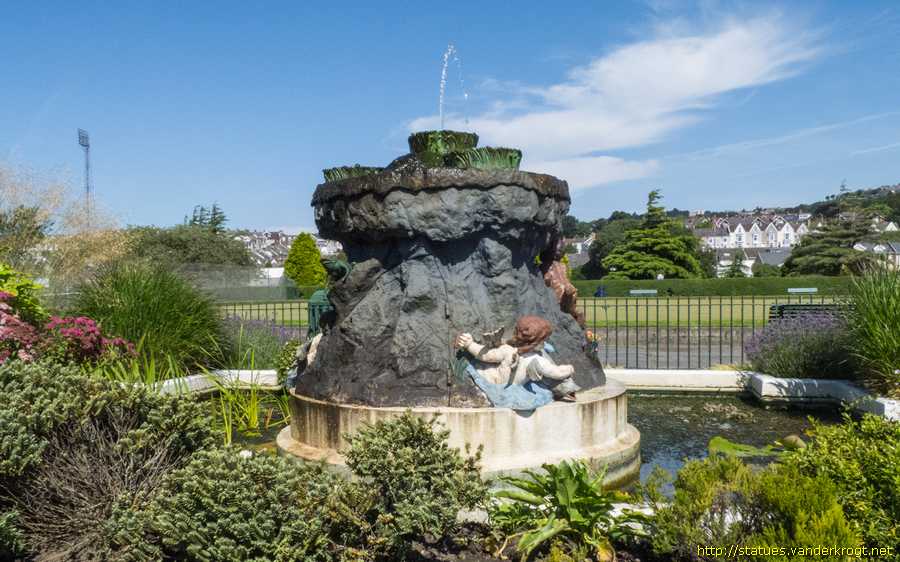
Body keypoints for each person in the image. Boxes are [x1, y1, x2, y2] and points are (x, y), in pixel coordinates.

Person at [455, 315, 580, 401]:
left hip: (491, 380)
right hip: (511, 391)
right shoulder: (538, 361)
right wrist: (569, 369)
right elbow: (556, 373)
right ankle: (566, 390)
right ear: (541, 340)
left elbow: (485, 356)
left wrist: (469, 344)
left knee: (485, 367)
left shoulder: (507, 350)